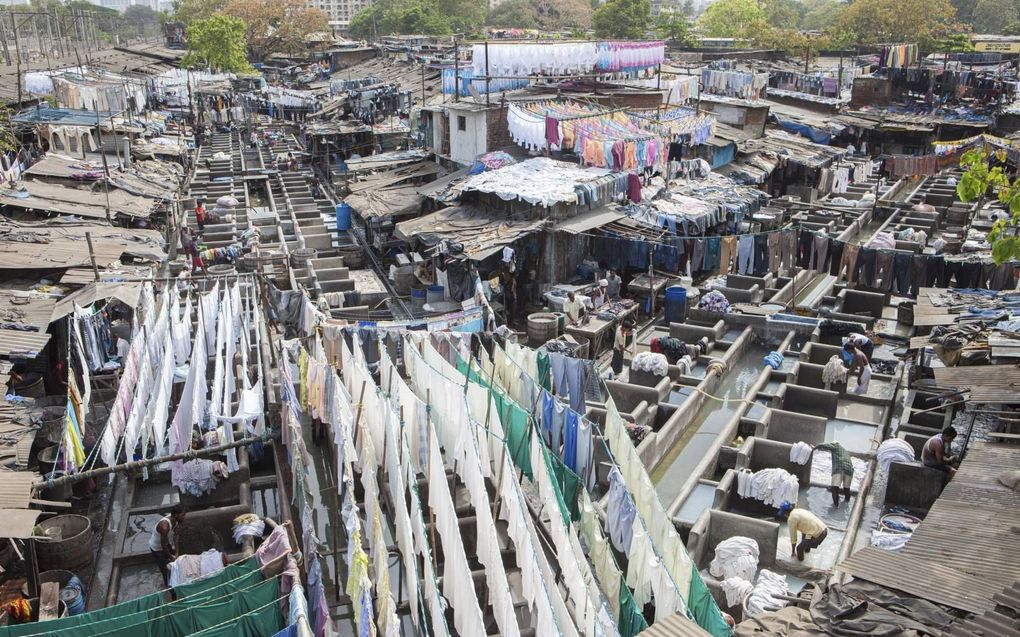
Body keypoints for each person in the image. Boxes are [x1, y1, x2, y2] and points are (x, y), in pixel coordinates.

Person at [149, 504, 187, 586]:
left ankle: (175, 581)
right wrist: (171, 557)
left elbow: (176, 538)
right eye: (183, 515)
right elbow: (164, 545)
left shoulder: (177, 521)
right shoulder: (164, 526)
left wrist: (176, 554)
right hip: (157, 548)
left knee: (174, 561)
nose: (184, 517)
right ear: (176, 515)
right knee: (165, 569)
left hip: (167, 544)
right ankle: (169, 587)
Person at [812, 441, 854, 506]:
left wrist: (815, 447)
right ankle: (847, 503)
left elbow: (824, 445)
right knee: (846, 489)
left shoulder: (835, 446)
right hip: (850, 470)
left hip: (840, 468)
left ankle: (836, 507)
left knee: (834, 489)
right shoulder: (844, 451)